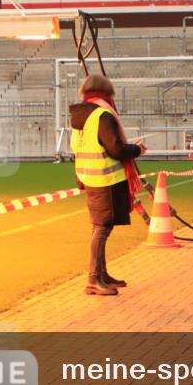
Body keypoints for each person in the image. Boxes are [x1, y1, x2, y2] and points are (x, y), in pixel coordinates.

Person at [69, 74, 146, 296]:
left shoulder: (81, 117)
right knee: (102, 229)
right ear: (107, 93)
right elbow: (116, 149)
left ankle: (101, 274)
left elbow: (78, 148)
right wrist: (137, 150)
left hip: (89, 178)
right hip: (106, 180)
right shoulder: (102, 115)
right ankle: (93, 279)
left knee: (100, 227)